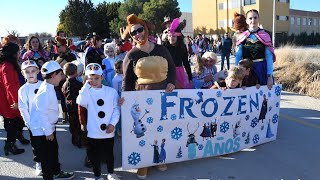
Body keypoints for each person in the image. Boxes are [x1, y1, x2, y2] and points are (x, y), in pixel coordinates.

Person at [121, 14, 176, 179]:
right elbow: (127, 81)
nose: (138, 34)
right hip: (142, 98)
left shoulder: (161, 49)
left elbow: (172, 68)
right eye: (133, 33)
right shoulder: (131, 55)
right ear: (131, 36)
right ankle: (144, 162)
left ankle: (159, 158)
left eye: (140, 30)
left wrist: (171, 82)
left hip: (163, 96)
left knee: (161, 128)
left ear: (145, 29)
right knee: (143, 131)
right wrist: (126, 100)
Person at [29, 61, 74, 179]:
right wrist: (48, 131)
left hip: (47, 127)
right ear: (54, 75)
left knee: (53, 151)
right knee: (46, 158)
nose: (62, 77)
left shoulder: (48, 87)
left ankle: (56, 172)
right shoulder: (45, 92)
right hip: (42, 130)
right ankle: (49, 176)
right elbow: (42, 113)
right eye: (60, 74)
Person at [77, 63, 120, 180]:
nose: (94, 81)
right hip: (93, 131)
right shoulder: (87, 92)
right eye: (90, 78)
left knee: (109, 154)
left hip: (108, 130)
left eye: (96, 78)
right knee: (94, 156)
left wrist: (112, 124)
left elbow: (116, 109)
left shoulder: (111, 92)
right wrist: (85, 87)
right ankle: (97, 175)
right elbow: (80, 101)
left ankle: (111, 173)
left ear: (102, 77)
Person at [235, 9, 276, 90]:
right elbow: (238, 57)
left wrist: (269, 76)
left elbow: (269, 57)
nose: (253, 20)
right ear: (246, 20)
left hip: (262, 70)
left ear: (258, 19)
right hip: (246, 71)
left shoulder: (265, 35)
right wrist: (237, 74)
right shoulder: (242, 36)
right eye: (250, 18)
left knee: (263, 98)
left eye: (255, 17)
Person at [0, 43, 26, 156]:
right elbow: (9, 85)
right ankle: (10, 145)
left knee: (12, 122)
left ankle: (11, 144)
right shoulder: (7, 66)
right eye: (18, 51)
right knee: (14, 122)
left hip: (8, 98)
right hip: (8, 99)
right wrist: (16, 101)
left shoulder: (8, 64)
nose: (20, 53)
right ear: (14, 53)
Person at [18, 60, 43, 175]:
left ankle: (51, 162)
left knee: (50, 143)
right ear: (23, 74)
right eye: (27, 72)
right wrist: (29, 123)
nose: (30, 74)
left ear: (37, 71)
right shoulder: (23, 89)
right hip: (33, 123)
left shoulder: (44, 85)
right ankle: (39, 162)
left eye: (33, 71)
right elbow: (23, 107)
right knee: (36, 144)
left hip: (46, 121)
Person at [163, 18, 192, 89]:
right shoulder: (164, 46)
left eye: (174, 36)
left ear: (178, 37)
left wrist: (190, 77)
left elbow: (186, 62)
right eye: (170, 36)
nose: (171, 38)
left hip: (179, 73)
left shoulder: (182, 47)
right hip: (167, 72)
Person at [62, 63, 84, 148]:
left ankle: (74, 139)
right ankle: (79, 141)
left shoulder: (64, 84)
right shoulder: (78, 84)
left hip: (69, 106)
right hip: (76, 106)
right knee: (78, 124)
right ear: (76, 72)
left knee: (72, 123)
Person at [112, 60, 123, 136]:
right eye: (123, 67)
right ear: (118, 69)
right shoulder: (115, 79)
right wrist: (118, 99)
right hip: (120, 97)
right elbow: (115, 91)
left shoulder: (125, 75)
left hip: (125, 95)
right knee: (119, 114)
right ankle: (118, 129)